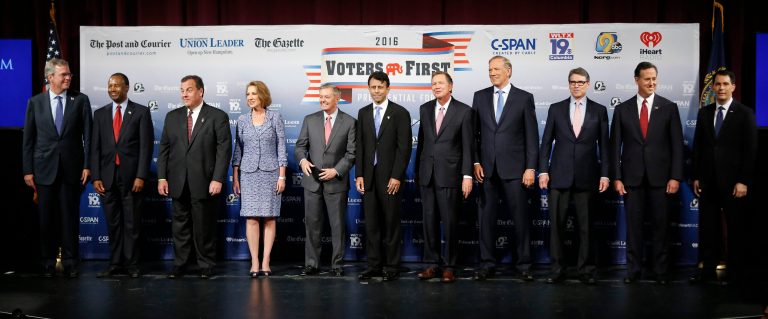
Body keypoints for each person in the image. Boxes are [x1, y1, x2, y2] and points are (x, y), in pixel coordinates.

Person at [610, 61, 683, 285]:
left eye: (654, 78)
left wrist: (675, 176)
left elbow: (677, 146)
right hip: (632, 178)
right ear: (636, 80)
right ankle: (633, 270)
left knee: (661, 227)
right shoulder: (622, 109)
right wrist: (617, 177)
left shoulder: (669, 107)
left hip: (661, 179)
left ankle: (660, 271)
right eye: (646, 79)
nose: (652, 82)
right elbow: (615, 146)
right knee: (633, 227)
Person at [538, 67, 609, 285]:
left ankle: (585, 270)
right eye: (572, 82)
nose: (576, 85)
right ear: (568, 84)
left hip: (587, 177)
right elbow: (546, 142)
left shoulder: (599, 110)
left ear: (588, 84)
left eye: (580, 82)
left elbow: (605, 147)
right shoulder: (556, 109)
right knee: (557, 227)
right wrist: (543, 170)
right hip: (558, 176)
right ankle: (557, 269)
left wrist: (605, 175)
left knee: (586, 227)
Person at [22, 58, 92, 278]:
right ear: (50, 77)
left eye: (69, 74)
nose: (68, 78)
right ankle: (47, 261)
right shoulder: (35, 103)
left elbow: (88, 137)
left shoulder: (80, 100)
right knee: (46, 219)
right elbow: (28, 140)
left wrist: (88, 165)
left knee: (70, 218)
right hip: (43, 170)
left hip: (72, 169)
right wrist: (27, 170)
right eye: (64, 75)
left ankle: (71, 261)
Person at [157, 75, 232, 279]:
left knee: (203, 226)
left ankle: (205, 264)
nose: (184, 94)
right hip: (177, 181)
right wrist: (162, 178)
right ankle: (180, 264)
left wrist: (218, 178)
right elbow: (164, 149)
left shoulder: (217, 116)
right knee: (179, 226)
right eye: (182, 90)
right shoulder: (172, 117)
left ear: (201, 91)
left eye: (189, 90)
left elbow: (223, 151)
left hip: (205, 181)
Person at [472, 55, 538, 281]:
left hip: (515, 169)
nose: (492, 73)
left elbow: (532, 136)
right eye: (489, 69)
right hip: (487, 170)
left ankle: (524, 265)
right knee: (486, 220)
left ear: (508, 71)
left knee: (520, 219)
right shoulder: (479, 97)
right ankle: (487, 264)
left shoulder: (524, 98)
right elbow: (474, 135)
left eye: (496, 69)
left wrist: (530, 168)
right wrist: (476, 161)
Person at [690, 70, 757, 284]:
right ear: (713, 87)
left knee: (736, 229)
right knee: (709, 229)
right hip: (708, 181)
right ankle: (708, 271)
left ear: (733, 87)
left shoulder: (745, 113)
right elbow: (698, 147)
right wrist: (697, 176)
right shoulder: (704, 113)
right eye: (717, 84)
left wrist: (743, 180)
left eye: (725, 84)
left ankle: (737, 273)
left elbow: (751, 150)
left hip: (734, 183)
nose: (720, 88)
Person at [91, 73, 154, 278]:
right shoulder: (99, 114)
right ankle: (115, 263)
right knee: (113, 224)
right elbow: (95, 149)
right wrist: (96, 177)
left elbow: (146, 147)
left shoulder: (141, 112)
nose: (112, 89)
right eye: (110, 85)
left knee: (132, 224)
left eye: (117, 85)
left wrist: (141, 176)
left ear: (127, 88)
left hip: (131, 178)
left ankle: (132, 265)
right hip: (107, 178)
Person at [414, 71, 473, 283]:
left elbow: (468, 146)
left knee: (449, 223)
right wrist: (418, 171)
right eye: (433, 83)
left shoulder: (464, 111)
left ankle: (449, 265)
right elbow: (422, 142)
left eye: (440, 83)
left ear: (451, 86)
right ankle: (431, 264)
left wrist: (467, 175)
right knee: (428, 222)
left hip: (451, 174)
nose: (436, 86)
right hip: (427, 174)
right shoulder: (425, 108)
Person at [355, 71, 412, 281]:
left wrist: (397, 175)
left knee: (390, 224)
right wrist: (359, 174)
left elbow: (403, 148)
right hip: (368, 178)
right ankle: (374, 266)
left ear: (388, 88)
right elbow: (360, 145)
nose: (376, 91)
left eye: (380, 87)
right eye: (373, 87)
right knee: (372, 224)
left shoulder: (400, 113)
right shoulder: (362, 113)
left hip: (390, 179)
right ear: (368, 89)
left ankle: (392, 266)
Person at [295, 84, 356, 277]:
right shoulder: (309, 119)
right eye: (320, 97)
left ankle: (337, 265)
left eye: (326, 97)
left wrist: (336, 171)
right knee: (312, 225)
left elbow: (352, 153)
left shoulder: (350, 122)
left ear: (337, 98)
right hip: (312, 183)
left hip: (336, 183)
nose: (322, 100)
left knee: (337, 226)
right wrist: (302, 160)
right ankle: (312, 264)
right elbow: (299, 147)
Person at [232, 81, 287, 278]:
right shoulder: (242, 120)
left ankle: (266, 261)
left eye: (254, 93)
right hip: (248, 174)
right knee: (252, 219)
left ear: (262, 95)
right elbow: (238, 150)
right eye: (248, 94)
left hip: (271, 173)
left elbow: (281, 148)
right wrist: (235, 177)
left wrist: (282, 175)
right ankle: (254, 261)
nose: (250, 97)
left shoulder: (275, 118)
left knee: (270, 218)